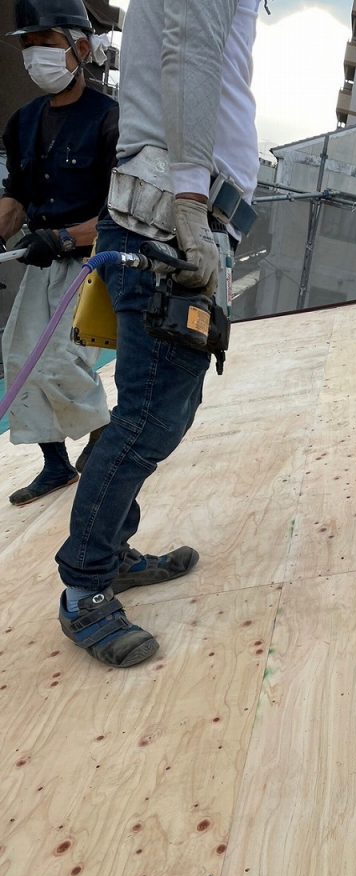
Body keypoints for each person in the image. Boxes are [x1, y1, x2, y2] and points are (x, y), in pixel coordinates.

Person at [56, 0, 261, 668]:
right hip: (169, 221)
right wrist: (193, 203)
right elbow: (190, 54)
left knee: (164, 411)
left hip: (174, 221)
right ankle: (84, 587)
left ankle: (110, 552)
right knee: (148, 419)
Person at [0, 0, 116, 506]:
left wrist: (67, 237)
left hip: (94, 262)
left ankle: (105, 436)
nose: (33, 56)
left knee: (60, 360)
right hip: (43, 260)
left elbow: (122, 212)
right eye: (27, 46)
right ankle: (56, 466)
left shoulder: (111, 120)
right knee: (20, 358)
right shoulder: (23, 122)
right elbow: (16, 199)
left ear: (81, 49)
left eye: (45, 44)